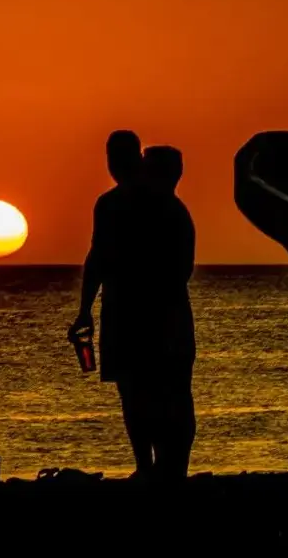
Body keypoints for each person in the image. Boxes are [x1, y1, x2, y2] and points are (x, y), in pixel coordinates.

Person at [70, 130, 154, 476]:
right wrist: (85, 308)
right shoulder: (113, 203)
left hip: (139, 310)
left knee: (143, 390)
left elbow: (98, 258)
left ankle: (153, 467)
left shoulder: (138, 203)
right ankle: (147, 466)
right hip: (122, 309)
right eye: (110, 157)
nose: (113, 165)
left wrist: (85, 308)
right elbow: (97, 259)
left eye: (117, 157)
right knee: (134, 390)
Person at [138, 146, 196, 481]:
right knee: (171, 393)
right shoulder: (174, 212)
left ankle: (170, 467)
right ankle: (169, 466)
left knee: (165, 392)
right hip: (172, 316)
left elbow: (176, 271)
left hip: (166, 318)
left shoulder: (168, 214)